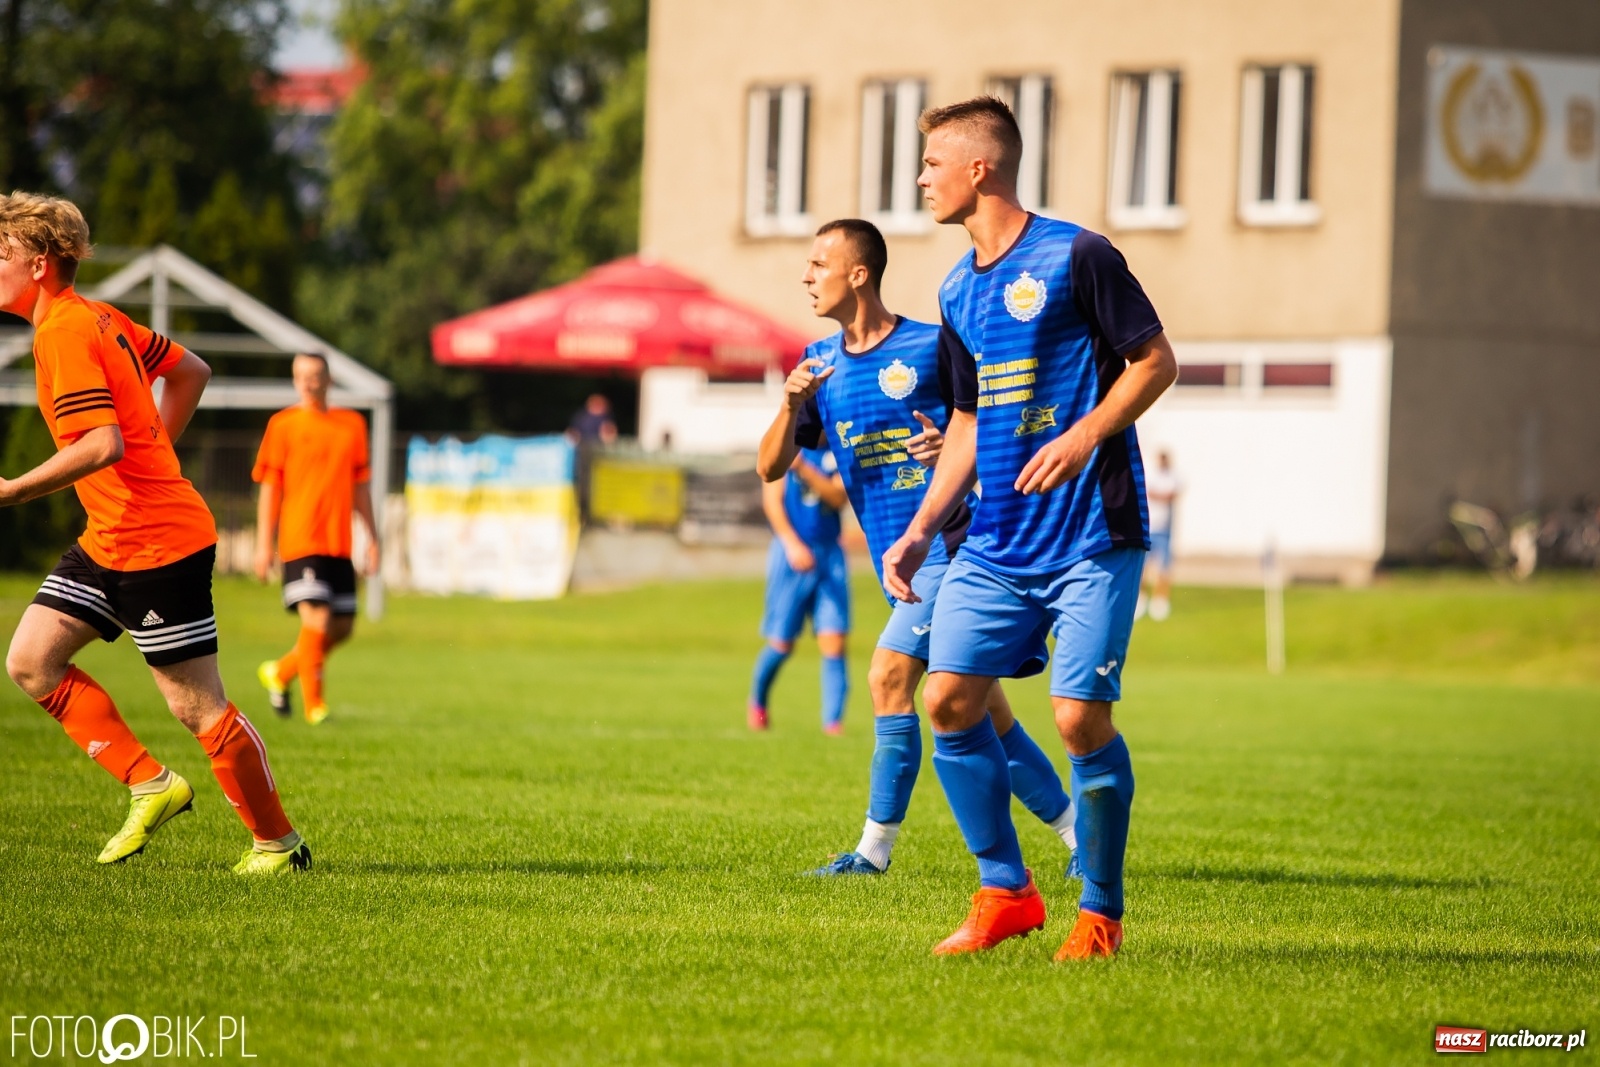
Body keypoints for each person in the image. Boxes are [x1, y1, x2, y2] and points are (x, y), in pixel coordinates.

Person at [882, 98, 1177, 958]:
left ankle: (1100, 913)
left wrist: (1085, 434)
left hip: (1091, 531)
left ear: (981, 167)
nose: (922, 178)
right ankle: (1006, 890)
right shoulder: (953, 289)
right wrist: (919, 526)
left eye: (933, 162)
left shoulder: (1078, 254)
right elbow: (968, 424)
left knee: (1079, 719)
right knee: (945, 696)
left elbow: (1154, 360)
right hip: (999, 541)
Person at [0, 191, 309, 874]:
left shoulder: (64, 331)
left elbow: (103, 442)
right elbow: (190, 370)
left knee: (197, 706)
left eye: (3, 253)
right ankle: (152, 784)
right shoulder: (97, 315)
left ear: (41, 265)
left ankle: (278, 845)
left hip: (157, 542)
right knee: (30, 660)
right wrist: (155, 451)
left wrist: (12, 489)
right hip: (111, 535)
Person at [757, 218, 1077, 877]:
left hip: (958, 552)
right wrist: (790, 408)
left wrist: (957, 454)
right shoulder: (817, 367)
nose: (805, 275)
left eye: (820, 263)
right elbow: (769, 467)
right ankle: (1081, 838)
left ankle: (872, 852)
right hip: (899, 567)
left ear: (858, 274)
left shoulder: (932, 348)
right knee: (987, 715)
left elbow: (999, 423)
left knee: (888, 674)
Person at [253, 352, 380, 725]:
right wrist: (264, 544)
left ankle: (281, 672)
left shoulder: (351, 424)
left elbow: (361, 487)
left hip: (338, 542)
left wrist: (372, 536)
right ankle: (315, 707)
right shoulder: (283, 425)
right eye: (300, 376)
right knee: (318, 621)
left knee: (342, 628)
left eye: (314, 375)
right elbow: (270, 488)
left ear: (329, 378)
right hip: (299, 539)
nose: (307, 383)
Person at [748, 443, 851, 733]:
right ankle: (758, 701)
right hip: (789, 553)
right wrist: (792, 545)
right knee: (781, 644)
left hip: (830, 555)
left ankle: (833, 724)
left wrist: (803, 468)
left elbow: (838, 498)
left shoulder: (838, 446)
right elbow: (772, 501)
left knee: (834, 643)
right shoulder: (785, 444)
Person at [1137, 449, 1181, 621]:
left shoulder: (1173, 477)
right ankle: (1141, 598)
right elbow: (1150, 492)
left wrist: (1161, 495)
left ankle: (1160, 601)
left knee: (1164, 566)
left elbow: (1173, 494)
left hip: (1165, 529)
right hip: (1149, 528)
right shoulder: (1150, 474)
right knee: (1144, 566)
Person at [567, 393, 618, 522]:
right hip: (583, 455)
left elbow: (610, 435)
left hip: (597, 457)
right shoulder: (582, 417)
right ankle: (582, 513)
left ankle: (592, 514)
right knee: (582, 485)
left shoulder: (604, 418)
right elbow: (572, 434)